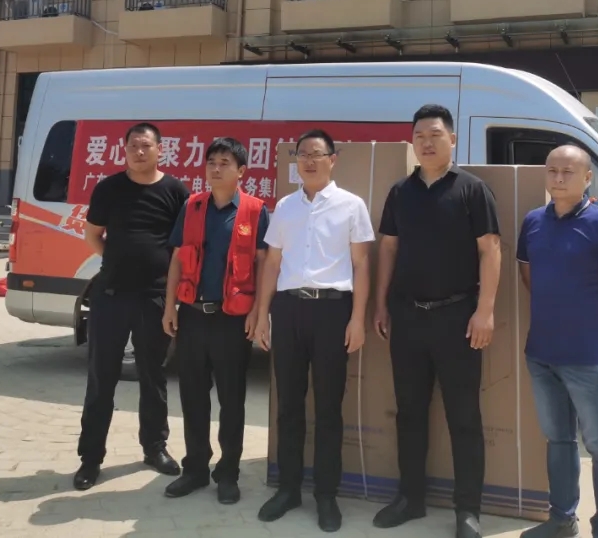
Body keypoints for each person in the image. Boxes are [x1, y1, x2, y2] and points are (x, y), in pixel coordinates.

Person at [370, 104, 502, 538]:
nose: (426, 143)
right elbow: (389, 248)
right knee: (409, 412)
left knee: (463, 416)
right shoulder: (400, 192)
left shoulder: (472, 190)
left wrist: (485, 311)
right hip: (407, 317)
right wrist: (381, 304)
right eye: (420, 136)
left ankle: (468, 510)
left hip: (458, 318)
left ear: (452, 140)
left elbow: (490, 249)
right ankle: (410, 498)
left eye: (435, 135)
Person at [251, 129, 373, 533]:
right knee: (288, 405)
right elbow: (272, 263)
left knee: (328, 408)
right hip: (288, 310)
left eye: (316, 154)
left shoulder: (351, 205)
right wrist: (263, 314)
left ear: (332, 160)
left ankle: (326, 495)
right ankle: (288, 489)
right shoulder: (285, 206)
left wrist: (357, 319)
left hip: (332, 312)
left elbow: (362, 265)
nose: (308, 161)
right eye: (302, 154)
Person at [516, 145, 598, 538]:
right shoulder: (533, 222)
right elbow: (529, 277)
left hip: (590, 358)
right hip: (542, 353)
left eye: (567, 172)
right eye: (552, 170)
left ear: (587, 178)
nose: (558, 178)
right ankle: (561, 520)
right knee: (558, 441)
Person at [73, 122, 190, 491]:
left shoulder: (175, 191)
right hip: (110, 296)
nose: (140, 152)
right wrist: (116, 261)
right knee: (101, 377)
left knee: (153, 376)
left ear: (160, 149)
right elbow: (93, 235)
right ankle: (90, 458)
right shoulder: (108, 188)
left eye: (146, 146)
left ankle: (155, 448)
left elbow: (180, 250)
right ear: (124, 150)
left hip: (154, 297)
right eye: (133, 146)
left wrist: (171, 300)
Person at [161, 137, 270, 505]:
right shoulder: (192, 207)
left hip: (232, 321)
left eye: (225, 163)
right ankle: (195, 469)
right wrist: (170, 307)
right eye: (211, 162)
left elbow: (263, 265)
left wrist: (258, 313)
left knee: (232, 400)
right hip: (193, 317)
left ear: (241, 172)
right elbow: (177, 259)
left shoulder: (255, 211)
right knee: (192, 396)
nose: (216, 168)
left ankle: (228, 472)